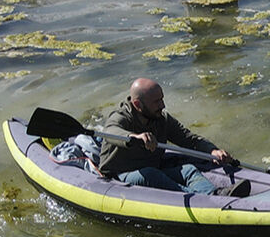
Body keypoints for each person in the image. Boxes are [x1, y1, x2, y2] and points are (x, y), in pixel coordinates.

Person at [99, 78, 249, 196]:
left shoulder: (161, 119)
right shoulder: (121, 117)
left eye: (162, 99)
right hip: (121, 175)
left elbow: (188, 138)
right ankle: (201, 198)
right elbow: (111, 131)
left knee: (188, 170)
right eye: (156, 102)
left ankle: (214, 194)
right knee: (151, 175)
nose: (162, 105)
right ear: (138, 104)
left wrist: (212, 151)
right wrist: (134, 137)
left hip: (153, 167)